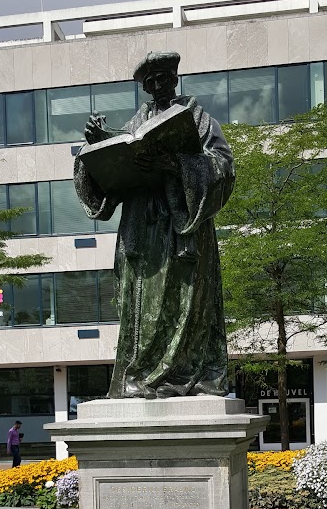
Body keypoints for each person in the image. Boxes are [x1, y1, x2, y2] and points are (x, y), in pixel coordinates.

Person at [74, 50, 235, 400]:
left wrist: (176, 165)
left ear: (174, 79)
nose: (158, 86)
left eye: (163, 78)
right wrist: (98, 144)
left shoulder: (200, 121)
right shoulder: (134, 127)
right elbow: (110, 178)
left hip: (181, 232)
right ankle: (140, 375)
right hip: (141, 231)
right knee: (140, 306)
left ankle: (179, 375)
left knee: (182, 304)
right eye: (150, 82)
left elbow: (223, 169)